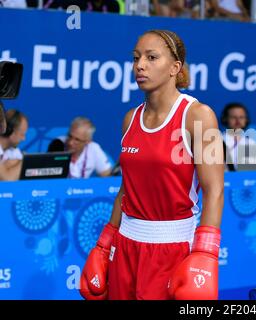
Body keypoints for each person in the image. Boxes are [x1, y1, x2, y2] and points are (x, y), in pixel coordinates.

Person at [79, 29, 224, 300]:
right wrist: (104, 243)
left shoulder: (197, 116)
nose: (140, 65)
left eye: (151, 57)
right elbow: (126, 189)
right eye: (136, 58)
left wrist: (205, 253)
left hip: (174, 248)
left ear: (175, 67)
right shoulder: (130, 118)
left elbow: (214, 190)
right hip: (125, 245)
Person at [220, 102, 256, 171]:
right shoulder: (218, 140)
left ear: (246, 120)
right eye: (233, 117)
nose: (238, 121)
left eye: (241, 117)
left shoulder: (251, 143)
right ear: (225, 119)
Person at [0, 108, 27, 181]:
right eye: (22, 134)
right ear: (10, 130)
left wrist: (8, 168)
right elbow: (7, 179)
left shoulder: (13, 150)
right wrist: (25, 160)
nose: (24, 138)